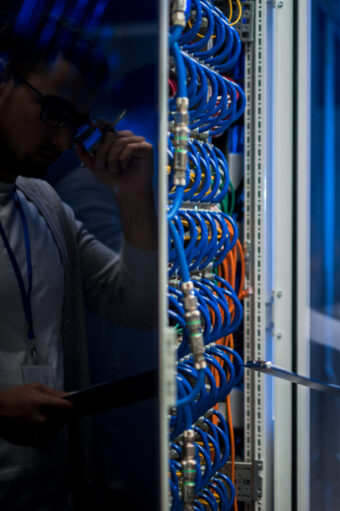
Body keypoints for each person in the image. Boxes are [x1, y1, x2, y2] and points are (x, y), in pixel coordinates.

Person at [0, 18, 157, 510]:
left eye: (77, 123)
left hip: (50, 489)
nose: (65, 141)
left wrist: (134, 195)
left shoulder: (44, 204)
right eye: (52, 111)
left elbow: (141, 307)